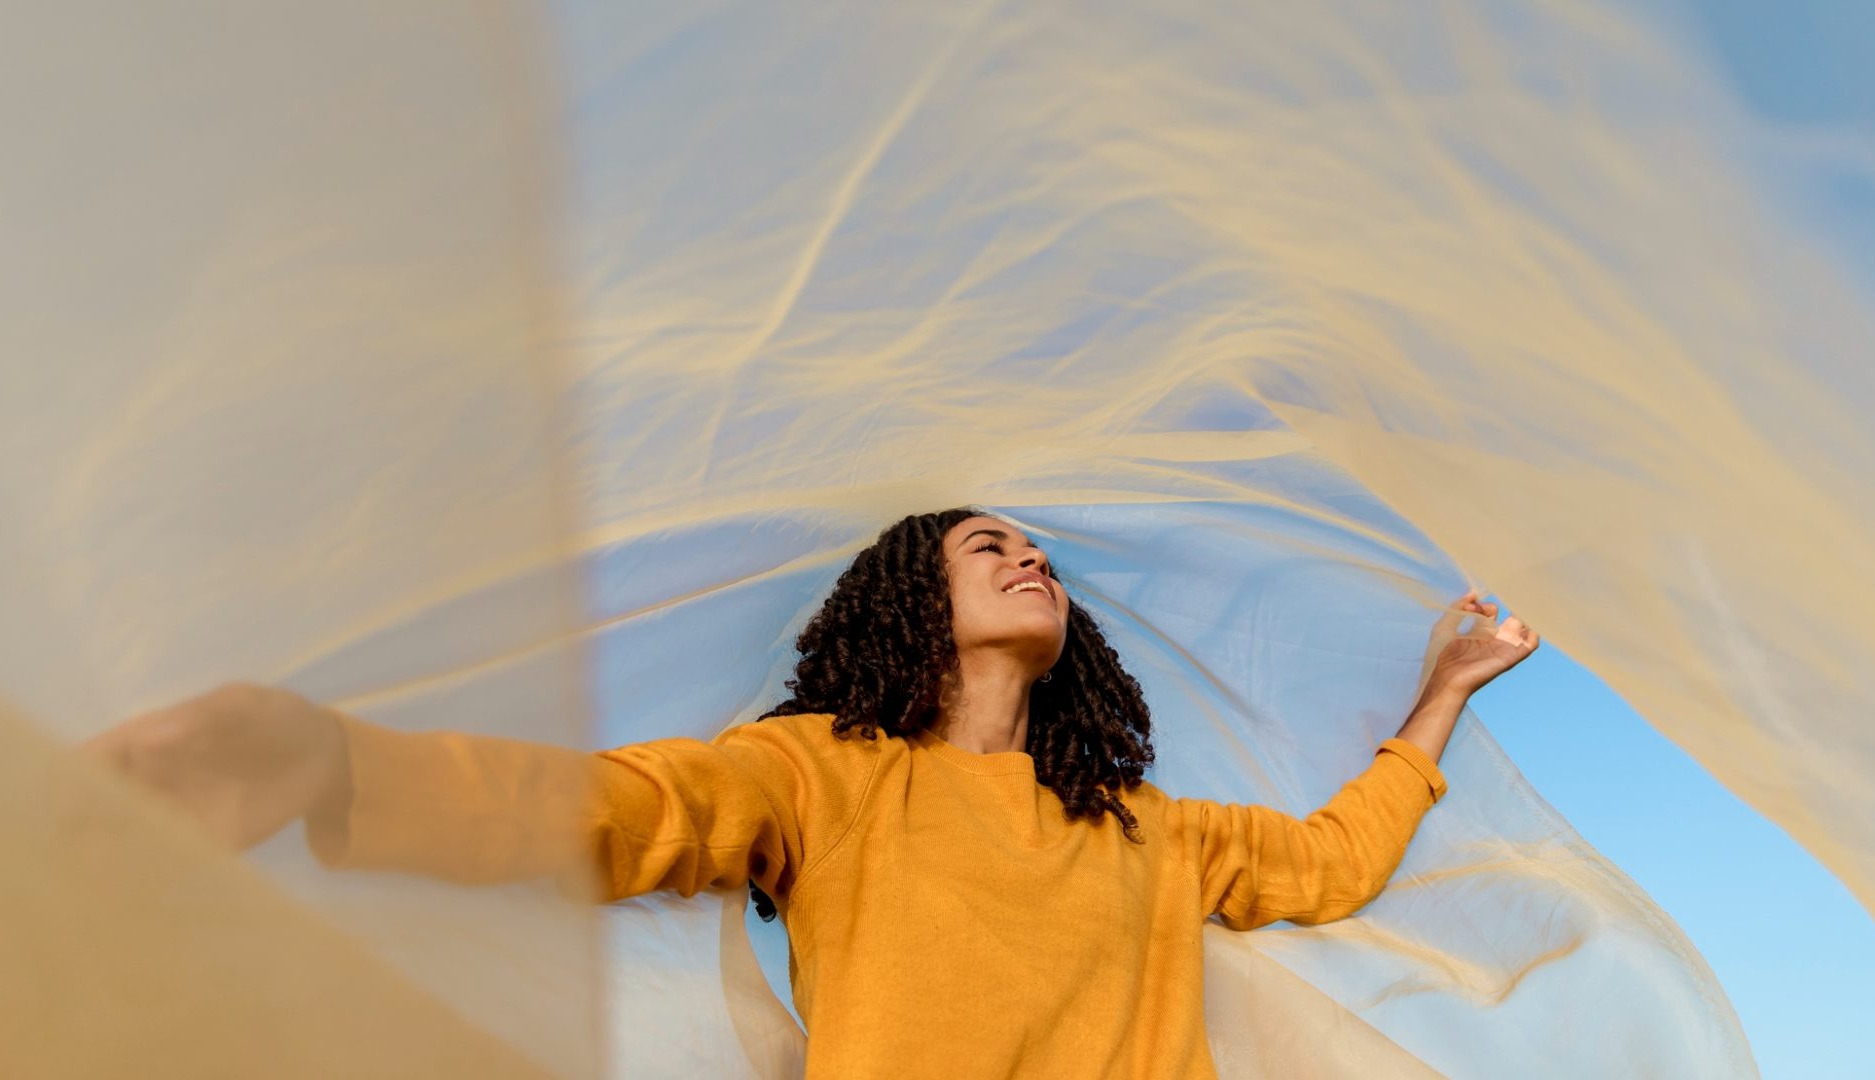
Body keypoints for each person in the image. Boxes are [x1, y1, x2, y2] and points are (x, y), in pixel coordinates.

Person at [87, 507, 1539, 1078]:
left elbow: (1330, 864)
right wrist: (325, 761)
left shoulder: (1146, 831)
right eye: (987, 546)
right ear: (908, 600)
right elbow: (607, 813)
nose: (1030, 559)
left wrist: (1447, 689)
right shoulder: (820, 774)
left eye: (1040, 551)